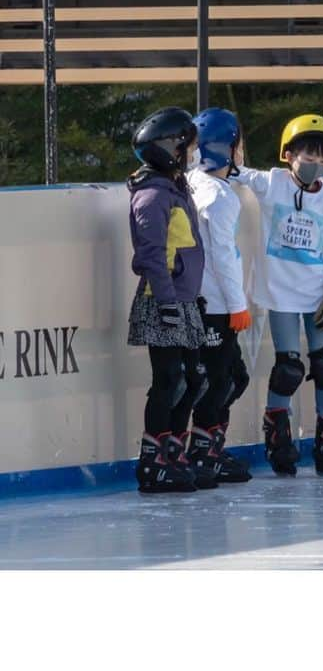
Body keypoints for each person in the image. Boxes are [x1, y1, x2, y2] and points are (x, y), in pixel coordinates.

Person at [233, 114, 323, 476]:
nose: (316, 165)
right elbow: (236, 171)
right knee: (288, 368)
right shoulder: (272, 184)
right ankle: (280, 441)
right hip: (281, 293)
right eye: (308, 156)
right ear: (288, 155)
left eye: (322, 159)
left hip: (318, 293)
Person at [127, 107, 208, 493]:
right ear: (169, 149)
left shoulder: (177, 188)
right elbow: (151, 255)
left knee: (194, 380)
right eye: (188, 147)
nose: (193, 154)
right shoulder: (152, 196)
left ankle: (173, 448)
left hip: (185, 299)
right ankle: (152, 459)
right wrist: (166, 303)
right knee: (169, 380)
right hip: (162, 300)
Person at [187, 107, 253, 483]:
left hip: (200, 299)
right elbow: (224, 255)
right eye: (238, 143)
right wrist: (238, 306)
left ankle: (207, 446)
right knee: (221, 380)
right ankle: (203, 452)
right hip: (216, 304)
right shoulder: (220, 196)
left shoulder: (192, 183)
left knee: (227, 378)